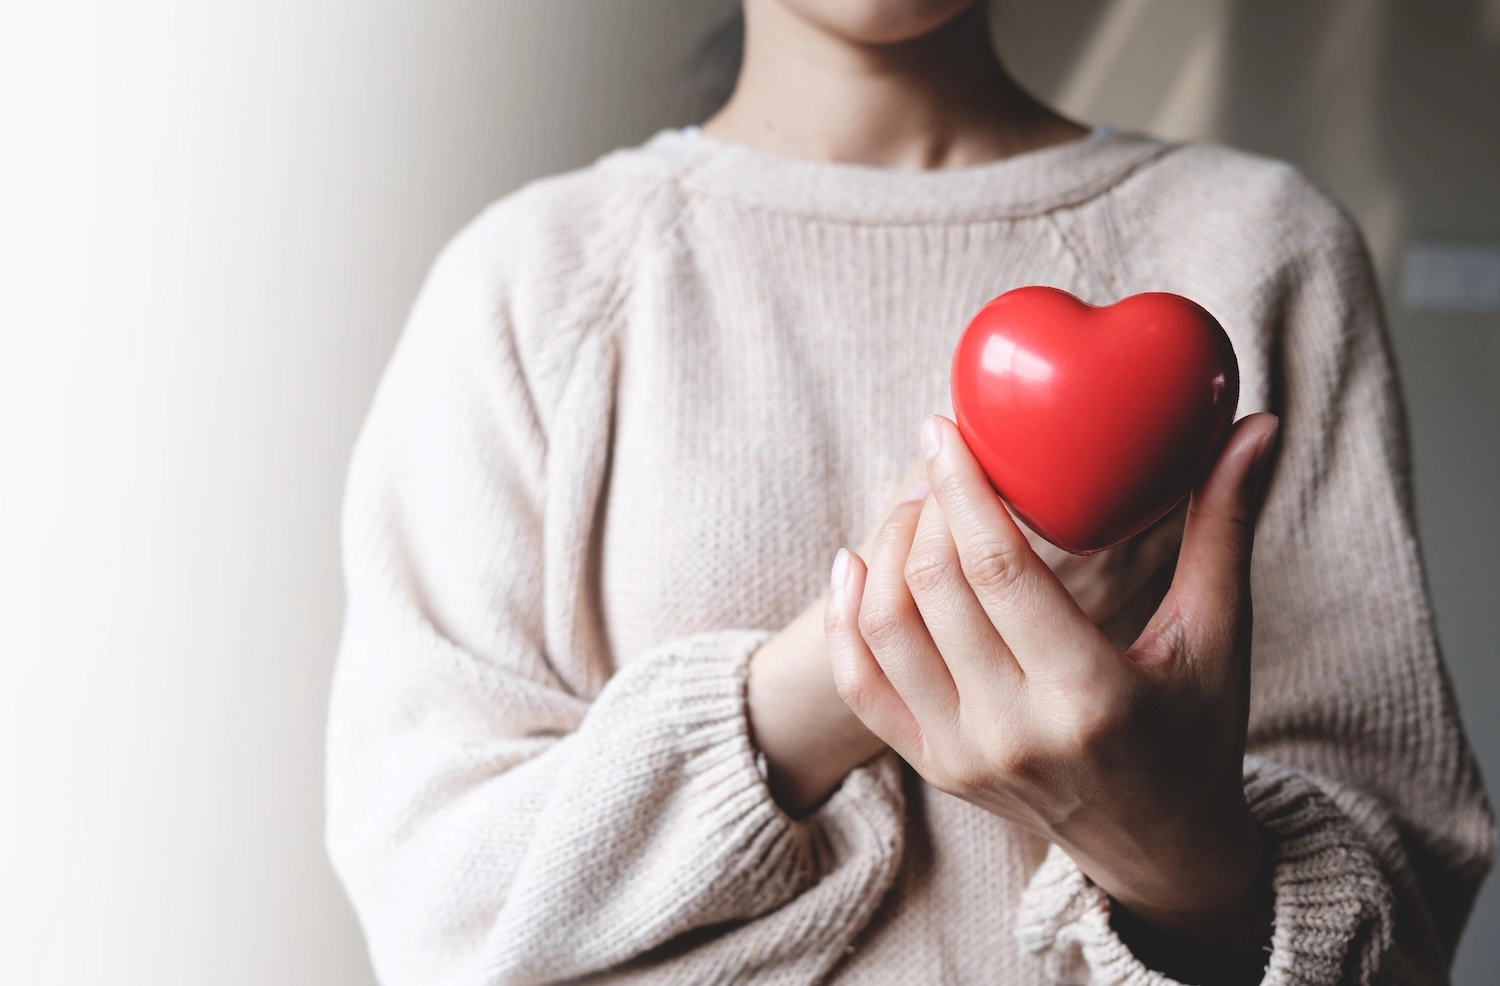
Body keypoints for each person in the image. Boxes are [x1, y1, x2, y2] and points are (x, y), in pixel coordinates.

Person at [324, 2, 1494, 983]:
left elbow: (1408, 917)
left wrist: (1179, 860)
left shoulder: (1260, 245)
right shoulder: (533, 281)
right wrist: (832, 683)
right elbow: (435, 907)